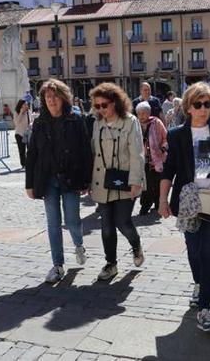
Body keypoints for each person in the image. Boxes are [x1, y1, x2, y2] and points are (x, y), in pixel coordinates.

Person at [159, 82, 210, 332]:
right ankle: (199, 284)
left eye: (208, 104)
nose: (203, 109)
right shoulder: (177, 134)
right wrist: (162, 199)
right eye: (198, 104)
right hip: (188, 200)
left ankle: (205, 308)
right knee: (193, 250)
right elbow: (168, 170)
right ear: (189, 107)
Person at [25, 79, 92, 283]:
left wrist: (86, 181)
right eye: (47, 97)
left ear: (63, 98)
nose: (51, 101)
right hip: (48, 180)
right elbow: (32, 154)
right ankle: (57, 265)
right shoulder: (39, 123)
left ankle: (79, 245)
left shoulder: (76, 120)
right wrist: (29, 184)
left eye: (55, 97)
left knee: (72, 222)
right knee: (53, 223)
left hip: (71, 179)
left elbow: (85, 152)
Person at [90, 82, 146, 281]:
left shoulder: (130, 122)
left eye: (104, 105)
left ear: (115, 103)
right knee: (106, 225)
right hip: (103, 181)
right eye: (97, 106)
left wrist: (136, 182)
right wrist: (89, 182)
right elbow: (93, 153)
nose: (101, 110)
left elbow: (137, 154)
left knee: (122, 221)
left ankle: (136, 245)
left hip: (125, 180)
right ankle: (110, 263)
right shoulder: (97, 123)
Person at [136, 101, 168, 215]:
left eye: (144, 113)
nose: (142, 116)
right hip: (142, 160)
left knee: (157, 183)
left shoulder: (156, 123)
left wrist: (163, 149)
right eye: (139, 113)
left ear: (149, 113)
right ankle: (145, 206)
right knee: (146, 185)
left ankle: (158, 204)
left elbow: (166, 137)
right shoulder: (135, 125)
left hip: (157, 159)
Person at [14, 99, 32, 169]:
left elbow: (30, 121)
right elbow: (16, 123)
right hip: (19, 133)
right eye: (24, 104)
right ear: (21, 105)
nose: (26, 106)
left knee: (30, 149)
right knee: (22, 150)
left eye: (26, 104)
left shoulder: (28, 112)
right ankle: (23, 164)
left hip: (28, 133)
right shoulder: (17, 112)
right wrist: (21, 113)